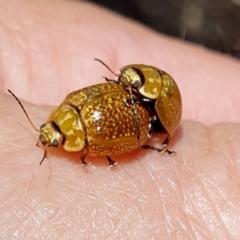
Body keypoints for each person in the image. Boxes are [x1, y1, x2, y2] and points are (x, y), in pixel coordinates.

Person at [1, 0, 240, 238]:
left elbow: (125, 132)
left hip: (157, 117)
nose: (124, 85)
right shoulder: (74, 104)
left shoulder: (94, 122)